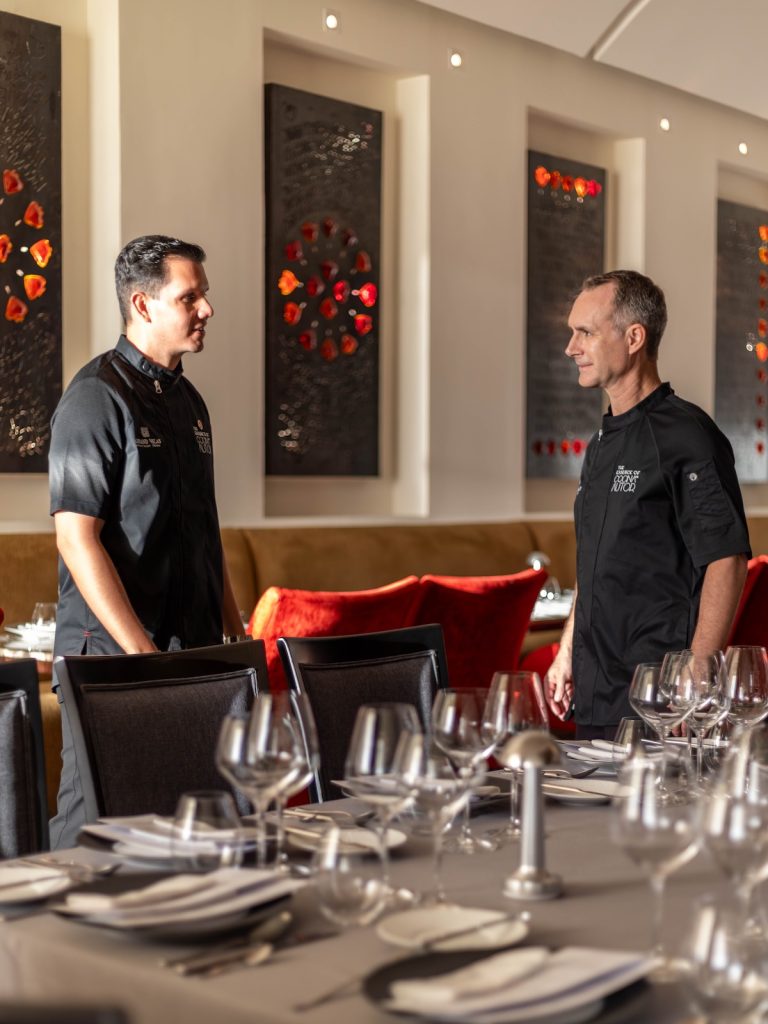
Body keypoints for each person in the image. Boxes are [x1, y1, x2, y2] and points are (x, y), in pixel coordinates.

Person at [48, 234, 243, 846]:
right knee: (92, 830)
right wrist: (144, 657)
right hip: (113, 658)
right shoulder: (93, 398)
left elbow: (204, 529)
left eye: (204, 295)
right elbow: (76, 540)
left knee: (189, 826)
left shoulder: (191, 403)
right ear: (143, 303)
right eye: (190, 297)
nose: (207, 308)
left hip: (192, 652)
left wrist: (236, 633)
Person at [545, 270, 750, 739]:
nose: (571, 348)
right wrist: (567, 650)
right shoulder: (599, 444)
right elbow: (595, 560)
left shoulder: (688, 436)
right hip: (594, 695)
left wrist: (698, 673)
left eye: (585, 332)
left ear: (634, 337)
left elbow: (727, 559)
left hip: (662, 699)